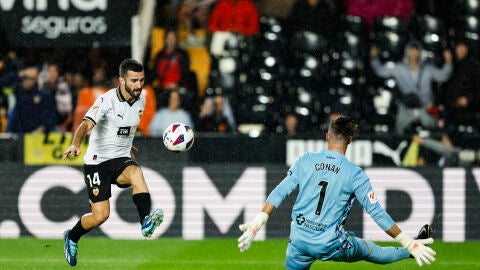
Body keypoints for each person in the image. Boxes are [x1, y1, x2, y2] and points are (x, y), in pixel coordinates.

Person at [237, 115, 436, 269]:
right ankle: (411, 250)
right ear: (349, 141)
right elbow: (376, 213)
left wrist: (257, 222)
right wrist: (407, 242)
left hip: (299, 241)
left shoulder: (305, 160)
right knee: (369, 250)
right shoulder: (355, 174)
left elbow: (280, 191)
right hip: (330, 244)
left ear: (327, 137)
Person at [62, 59, 164, 267]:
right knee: (101, 216)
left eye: (142, 80)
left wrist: (127, 144)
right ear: (121, 80)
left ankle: (145, 221)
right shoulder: (106, 101)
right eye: (134, 80)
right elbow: (84, 125)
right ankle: (72, 237)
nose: (139, 85)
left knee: (136, 173)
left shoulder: (141, 100)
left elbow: (126, 127)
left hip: (120, 158)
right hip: (97, 163)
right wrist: (75, 145)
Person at [370, 40, 452, 135]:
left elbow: (442, 76)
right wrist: (374, 57)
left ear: (420, 53)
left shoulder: (428, 68)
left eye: (416, 51)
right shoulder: (399, 68)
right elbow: (381, 71)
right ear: (406, 52)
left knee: (434, 128)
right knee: (399, 130)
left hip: (427, 105)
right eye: (411, 50)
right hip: (407, 107)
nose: (413, 53)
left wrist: (448, 61)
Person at [7, 65, 58, 133]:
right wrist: (22, 72)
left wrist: (44, 127)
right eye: (24, 78)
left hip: (38, 135)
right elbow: (4, 82)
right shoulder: (18, 93)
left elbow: (51, 115)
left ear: (35, 80)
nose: (26, 81)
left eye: (30, 78)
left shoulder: (43, 95)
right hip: (20, 134)